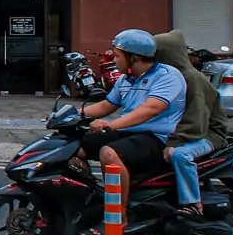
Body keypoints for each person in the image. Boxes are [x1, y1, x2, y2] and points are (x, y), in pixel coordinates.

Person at [75, 28, 189, 189]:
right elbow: (106, 105)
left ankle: (119, 211)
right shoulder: (126, 79)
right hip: (128, 133)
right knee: (73, 147)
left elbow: (150, 109)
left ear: (134, 58)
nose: (114, 61)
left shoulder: (167, 76)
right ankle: (91, 194)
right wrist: (71, 114)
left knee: (108, 153)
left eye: (117, 56)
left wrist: (111, 125)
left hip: (157, 137)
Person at [153, 30, 233, 219]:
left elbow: (195, 120)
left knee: (180, 155)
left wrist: (174, 142)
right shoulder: (171, 77)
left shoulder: (191, 79)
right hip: (188, 132)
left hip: (208, 135)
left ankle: (192, 203)